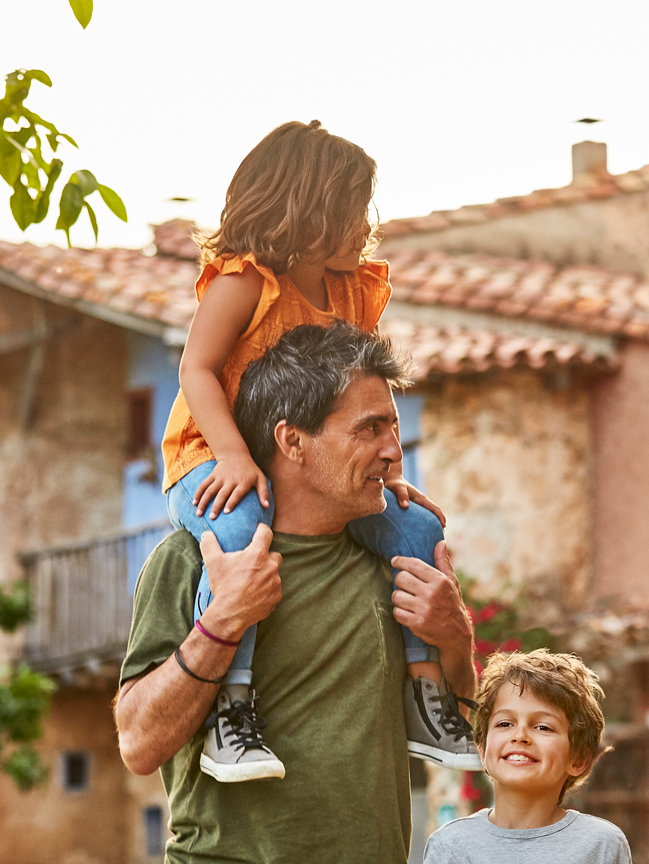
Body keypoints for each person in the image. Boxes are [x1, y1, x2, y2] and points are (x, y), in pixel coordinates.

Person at [157, 120, 477, 780]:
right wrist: (235, 457)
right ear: (305, 209)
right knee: (243, 534)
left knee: (416, 528)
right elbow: (196, 370)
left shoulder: (353, 292)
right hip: (210, 456)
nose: (366, 225)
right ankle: (230, 711)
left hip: (305, 468)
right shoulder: (244, 284)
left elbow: (363, 399)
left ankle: (423, 695)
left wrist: (388, 473)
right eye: (353, 209)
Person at [116, 322, 478, 863]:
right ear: (292, 441)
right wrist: (224, 620)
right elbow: (139, 744)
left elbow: (462, 717)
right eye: (370, 429)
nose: (393, 451)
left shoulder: (394, 562)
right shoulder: (194, 560)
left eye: (394, 428)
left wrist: (455, 637)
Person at [423, 650, 632, 864]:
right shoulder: (449, 845)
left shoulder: (602, 845)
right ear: (483, 749)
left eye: (543, 727)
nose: (520, 735)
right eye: (505, 724)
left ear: (578, 759)